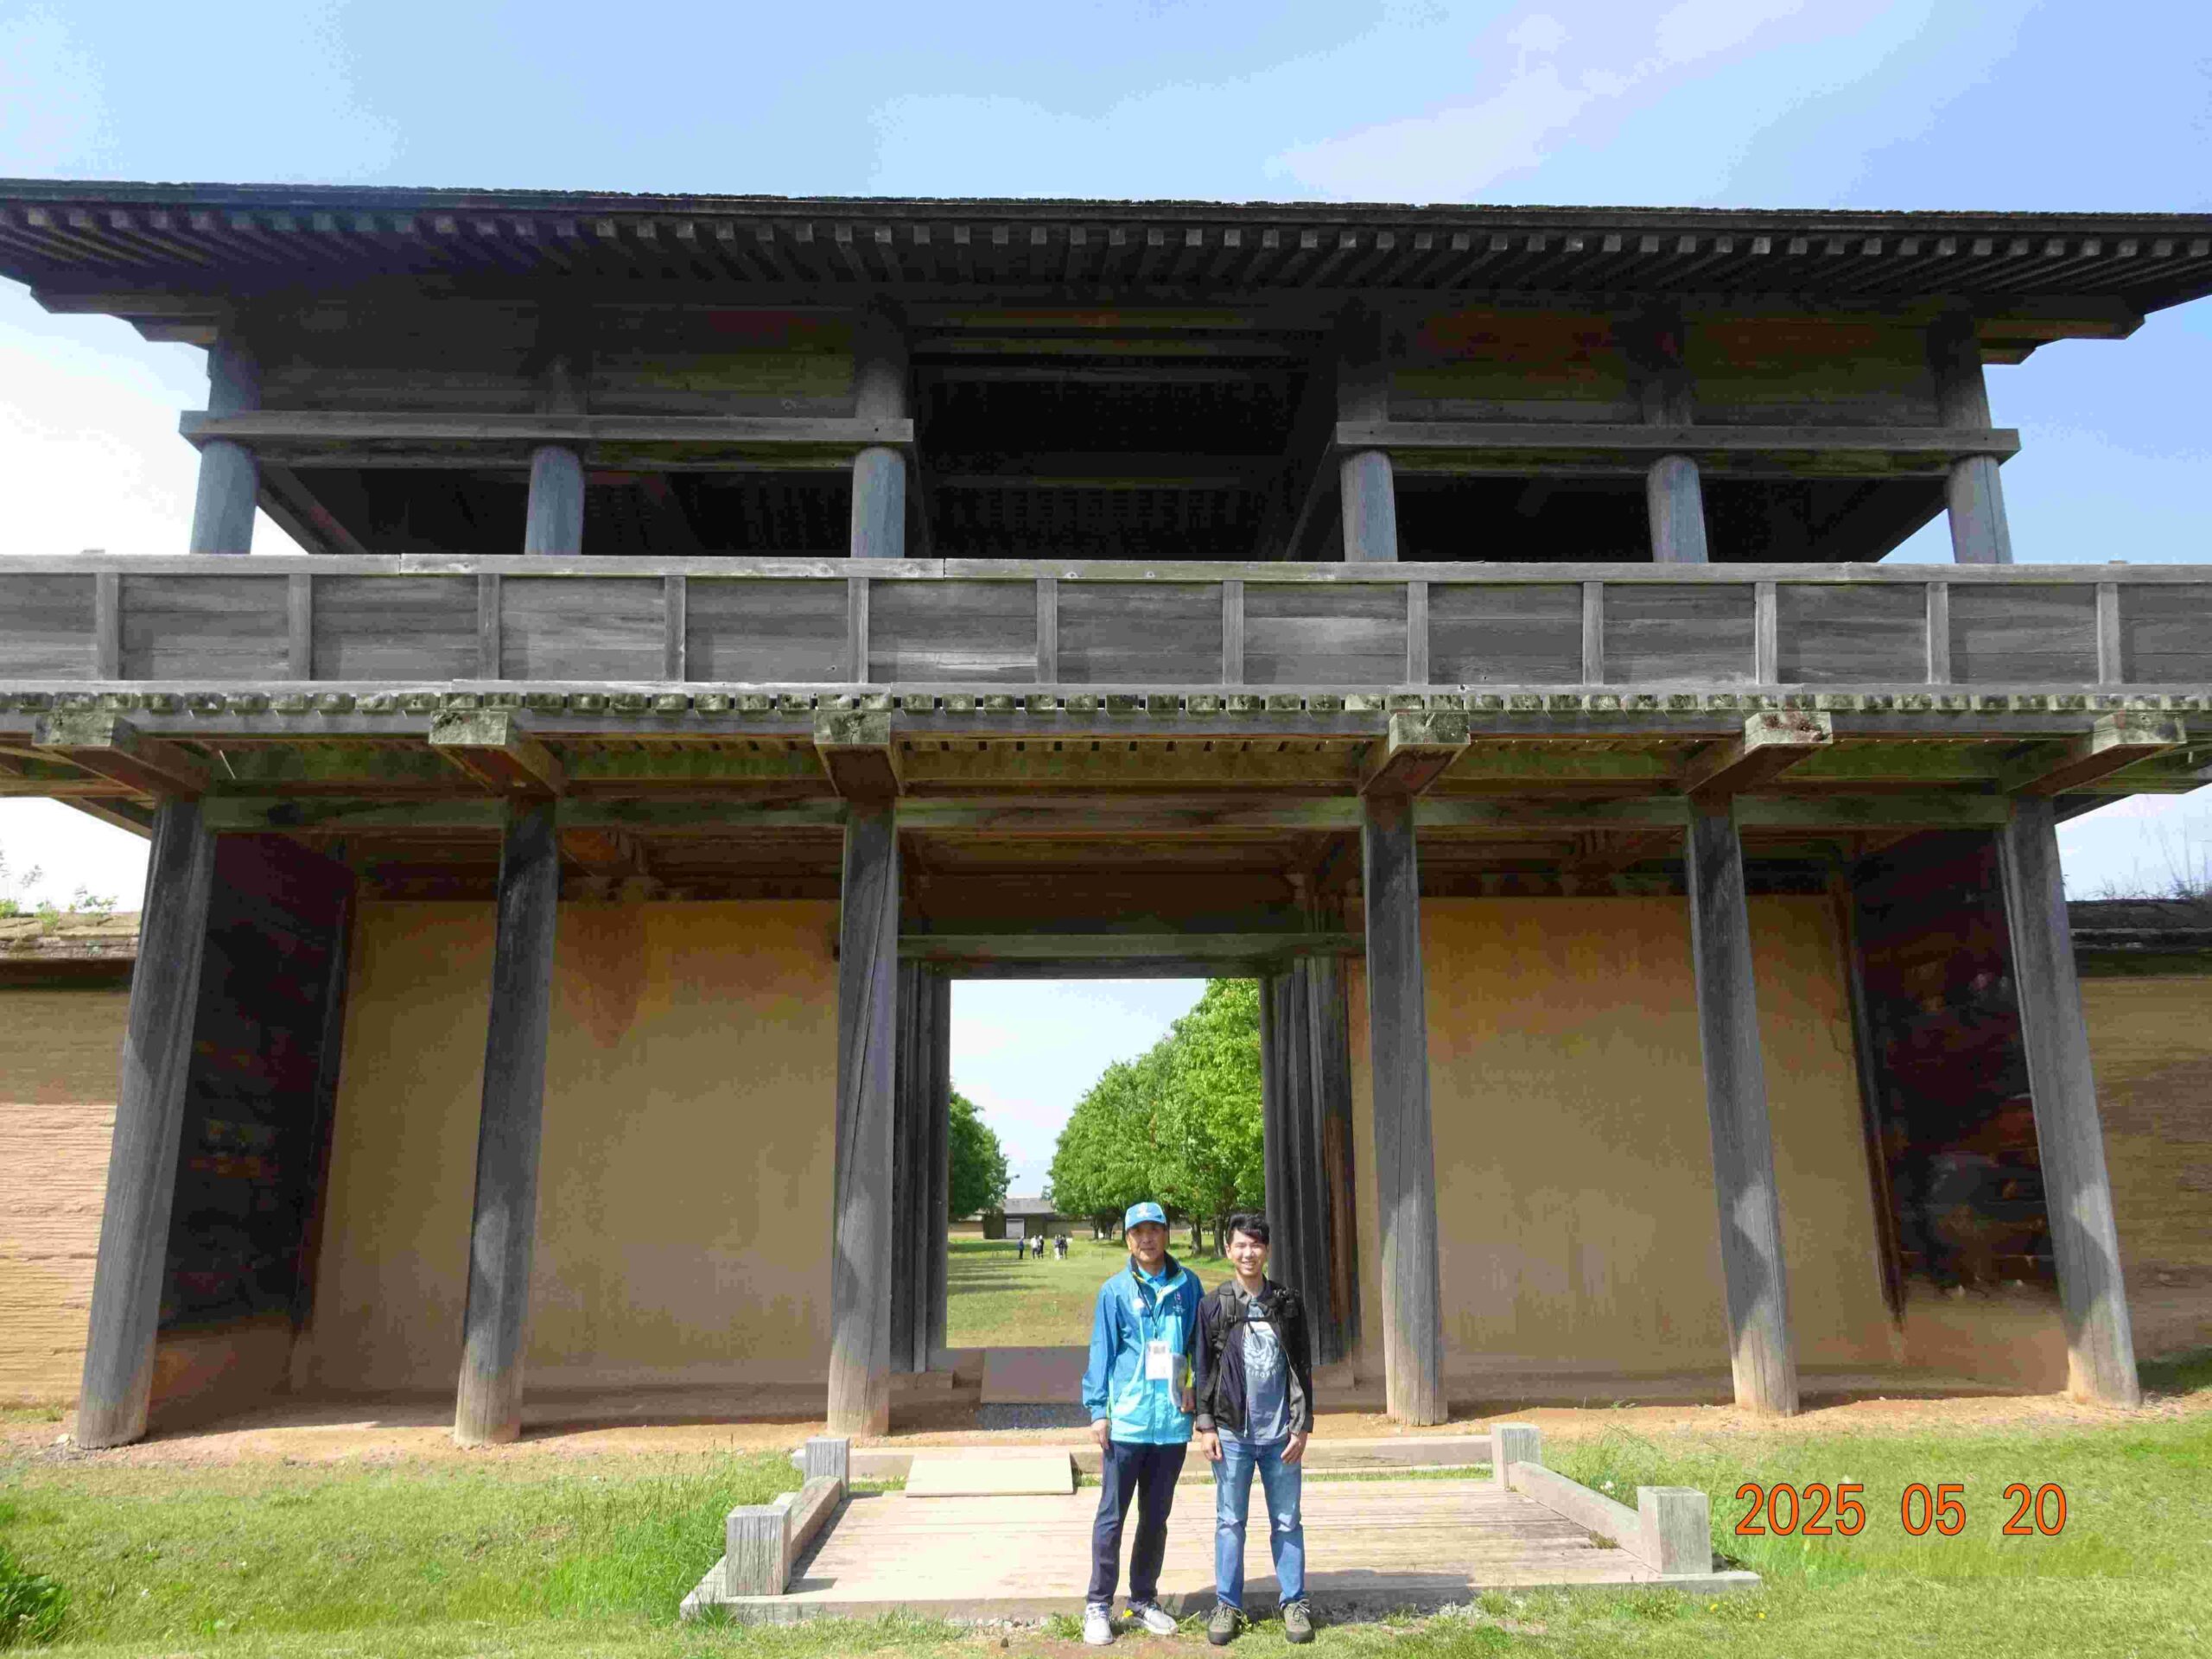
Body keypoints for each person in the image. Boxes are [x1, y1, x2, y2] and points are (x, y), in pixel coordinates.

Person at [1079, 1200, 1203, 1646]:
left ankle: (1143, 1600)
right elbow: (1102, 1351)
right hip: (1127, 1422)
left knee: (1156, 1517)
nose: (1146, 1238)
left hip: (1171, 1423)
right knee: (1111, 1517)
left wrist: (1195, 1387)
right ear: (1127, 1238)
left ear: (1167, 1234)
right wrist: (1099, 1411)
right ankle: (1098, 1604)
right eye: (1138, 1232)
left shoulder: (1189, 1285)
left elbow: (1200, 1345)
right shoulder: (1114, 1291)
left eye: (1154, 1230)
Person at [1192, 1212, 1315, 1646]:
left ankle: (1294, 1601)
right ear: (1228, 1250)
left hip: (1281, 1435)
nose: (1249, 1253)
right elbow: (1202, 1370)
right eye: (1241, 1245)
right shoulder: (1214, 1305)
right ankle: (1227, 1604)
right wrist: (1205, 1425)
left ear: (1267, 1250)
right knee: (1230, 1521)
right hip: (1231, 1435)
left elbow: (1302, 1367)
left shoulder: (1287, 1303)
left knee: (1287, 1520)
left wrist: (1302, 1426)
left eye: (1256, 1244)